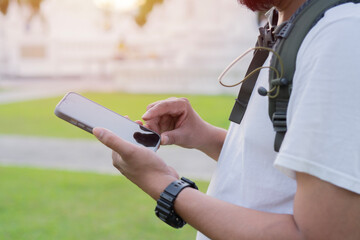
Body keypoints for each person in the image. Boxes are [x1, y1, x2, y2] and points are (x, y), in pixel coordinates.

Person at [93, 0, 360, 239]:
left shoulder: (340, 36)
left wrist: (162, 183)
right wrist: (205, 137)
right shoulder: (285, 21)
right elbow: (274, 168)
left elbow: (318, 234)